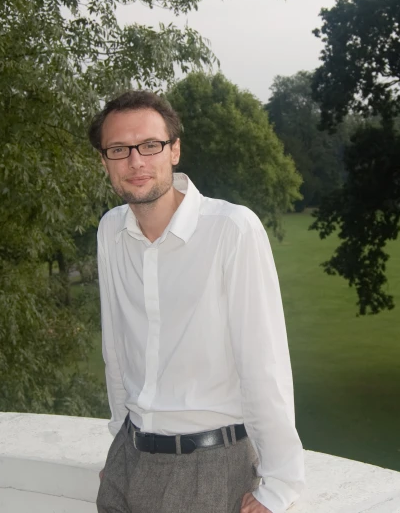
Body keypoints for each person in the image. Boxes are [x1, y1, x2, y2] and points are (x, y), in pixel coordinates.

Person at [89, 90, 305, 513]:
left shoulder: (231, 230)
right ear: (104, 160)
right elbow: (116, 347)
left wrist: (279, 484)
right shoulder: (111, 230)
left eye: (149, 145)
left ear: (174, 151)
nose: (135, 161)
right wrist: (118, 444)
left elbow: (264, 363)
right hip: (127, 462)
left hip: (208, 469)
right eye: (119, 149)